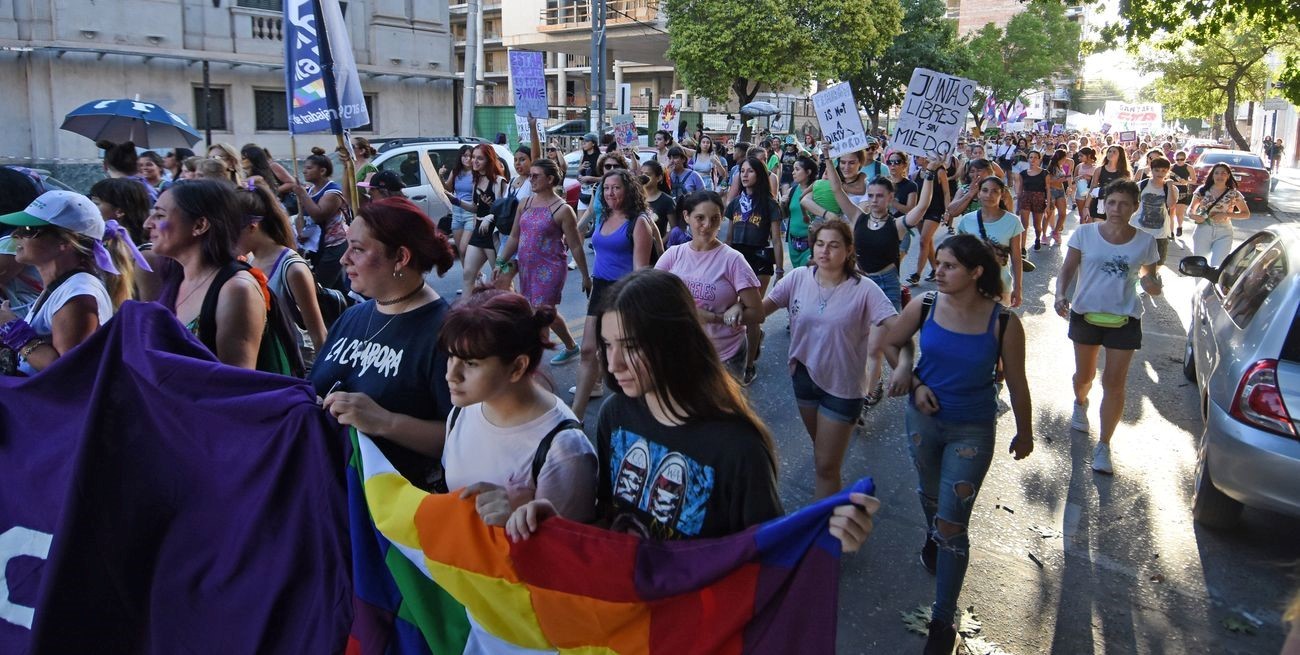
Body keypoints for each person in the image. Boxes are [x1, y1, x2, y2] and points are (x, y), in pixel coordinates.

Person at [504, 268, 878, 550]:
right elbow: (609, 514)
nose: (612, 363)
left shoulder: (738, 447)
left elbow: (764, 554)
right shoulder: (615, 414)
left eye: (631, 346)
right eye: (607, 345)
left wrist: (824, 537)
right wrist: (556, 523)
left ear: (675, 342)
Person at [882, 234, 1033, 655]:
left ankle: (942, 621)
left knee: (954, 525)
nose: (938, 271)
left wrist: (1026, 430)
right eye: (938, 264)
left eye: (948, 265)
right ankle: (933, 532)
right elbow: (891, 343)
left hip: (972, 429)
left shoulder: (1003, 322)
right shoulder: (925, 304)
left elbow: (1018, 382)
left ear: (976, 272)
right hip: (923, 422)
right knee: (930, 497)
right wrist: (912, 383)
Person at [314, 197, 457, 489]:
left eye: (357, 249)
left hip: (395, 511)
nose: (344, 259)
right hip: (331, 490)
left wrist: (384, 421)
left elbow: (463, 438)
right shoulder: (352, 316)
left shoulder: (447, 333)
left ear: (401, 257)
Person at [763, 220, 898, 498]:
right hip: (803, 378)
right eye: (820, 244)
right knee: (822, 456)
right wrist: (727, 310)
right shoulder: (799, 277)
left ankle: (824, 532)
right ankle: (830, 510)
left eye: (834, 245)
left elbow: (896, 328)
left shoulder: (865, 288)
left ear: (849, 250)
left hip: (844, 387)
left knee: (826, 465)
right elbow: (760, 311)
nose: (824, 251)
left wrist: (906, 368)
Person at [1054, 180, 1162, 475]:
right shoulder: (1085, 233)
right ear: (1104, 204)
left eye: (1124, 204)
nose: (1117, 209)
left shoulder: (1145, 241)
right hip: (1086, 314)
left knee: (1114, 384)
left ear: (1135, 208)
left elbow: (1150, 282)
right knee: (1085, 376)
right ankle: (1080, 401)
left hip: (1125, 319)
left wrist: (1152, 284)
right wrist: (1060, 294)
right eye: (1112, 202)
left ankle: (1103, 445)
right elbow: (1067, 269)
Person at [0, 190, 148, 375]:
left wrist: (12, 329)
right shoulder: (65, 286)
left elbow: (68, 371)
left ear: (65, 242)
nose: (16, 235)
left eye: (29, 230)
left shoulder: (79, 294)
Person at [570, 168, 655, 421]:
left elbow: (640, 269)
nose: (610, 193)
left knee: (625, 355)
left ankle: (639, 412)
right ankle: (577, 416)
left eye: (616, 187)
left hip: (625, 292)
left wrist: (634, 305)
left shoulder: (639, 222)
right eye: (606, 188)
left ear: (628, 190)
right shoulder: (603, 215)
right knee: (588, 350)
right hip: (601, 288)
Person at [656, 190, 762, 381]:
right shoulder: (673, 254)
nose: (707, 225)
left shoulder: (733, 260)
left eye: (715, 219)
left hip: (724, 356)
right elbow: (651, 296)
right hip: (681, 352)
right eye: (700, 218)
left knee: (722, 411)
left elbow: (757, 313)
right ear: (686, 216)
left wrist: (717, 318)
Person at [495, 158, 590, 365]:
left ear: (550, 179)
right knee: (544, 312)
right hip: (527, 267)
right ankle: (571, 347)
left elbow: (575, 245)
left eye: (536, 176)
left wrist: (585, 276)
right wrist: (500, 262)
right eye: (530, 176)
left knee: (540, 311)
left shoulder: (563, 209)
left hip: (551, 268)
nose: (531, 179)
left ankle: (532, 356)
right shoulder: (525, 203)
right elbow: (514, 237)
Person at [236, 178, 329, 364]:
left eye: (230, 230)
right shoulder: (251, 259)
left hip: (298, 366)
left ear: (252, 227)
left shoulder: (293, 268)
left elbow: (319, 334)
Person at [724, 156, 784, 385]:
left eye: (750, 170)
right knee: (735, 308)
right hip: (737, 258)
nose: (745, 174)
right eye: (742, 170)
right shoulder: (734, 203)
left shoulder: (770, 204)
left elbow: (777, 240)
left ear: (759, 174)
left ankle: (748, 366)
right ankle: (752, 340)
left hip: (760, 259)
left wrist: (779, 270)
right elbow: (728, 237)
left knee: (751, 316)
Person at [445, 144, 509, 294]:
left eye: (479, 158)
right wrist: (456, 201)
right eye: (473, 157)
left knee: (501, 279)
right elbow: (475, 207)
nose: (474, 161)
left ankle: (512, 310)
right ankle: (465, 313)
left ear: (489, 160)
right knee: (468, 275)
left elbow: (503, 209)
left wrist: (491, 213)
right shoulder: (476, 180)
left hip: (494, 235)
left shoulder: (499, 181)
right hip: (478, 232)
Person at [955, 176, 1026, 308]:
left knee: (996, 326)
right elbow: (958, 256)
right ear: (978, 193)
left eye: (994, 191)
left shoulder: (1013, 221)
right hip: (971, 286)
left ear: (1002, 194)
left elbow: (1016, 258)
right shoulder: (966, 220)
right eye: (985, 190)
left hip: (1000, 286)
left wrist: (1018, 289)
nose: (989, 195)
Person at [291, 148, 350, 292]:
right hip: (318, 246)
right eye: (304, 168)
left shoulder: (333, 192)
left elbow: (318, 215)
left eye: (309, 168)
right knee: (336, 288)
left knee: (320, 288)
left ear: (322, 171)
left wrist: (303, 195)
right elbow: (302, 216)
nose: (304, 171)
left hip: (333, 246)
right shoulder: (311, 190)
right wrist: (301, 234)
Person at [1187, 162, 1251, 267]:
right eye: (1216, 173)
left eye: (1223, 173)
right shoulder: (1202, 190)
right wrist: (1193, 215)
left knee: (1218, 265)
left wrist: (1226, 214)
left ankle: (1213, 284)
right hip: (1203, 229)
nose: (1220, 176)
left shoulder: (1234, 194)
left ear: (1228, 176)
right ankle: (1199, 284)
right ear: (1212, 175)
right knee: (1199, 264)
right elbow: (1191, 208)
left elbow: (1246, 214)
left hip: (1224, 231)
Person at [908, 155, 953, 285]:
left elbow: (946, 192)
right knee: (927, 242)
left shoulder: (940, 171)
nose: (916, 159)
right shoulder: (916, 174)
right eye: (915, 157)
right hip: (921, 212)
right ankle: (935, 269)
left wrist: (947, 211)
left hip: (935, 210)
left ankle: (917, 274)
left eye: (918, 156)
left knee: (923, 240)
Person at [1132, 156, 1177, 273]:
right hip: (1140, 229)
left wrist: (1170, 186)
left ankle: (1151, 277)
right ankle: (1143, 282)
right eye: (1157, 170)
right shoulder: (1142, 185)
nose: (1160, 173)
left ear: (1168, 171)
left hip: (1160, 232)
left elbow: (1171, 205)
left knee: (1158, 262)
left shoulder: (1170, 189)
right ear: (1151, 170)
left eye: (1163, 170)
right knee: (1138, 261)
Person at [782, 155, 818, 269]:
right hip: (793, 244)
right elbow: (785, 215)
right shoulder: (791, 190)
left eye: (797, 169)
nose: (793, 173)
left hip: (810, 245)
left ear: (808, 172)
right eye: (793, 169)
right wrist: (782, 204)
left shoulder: (817, 191)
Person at [444, 145, 476, 261]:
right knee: (460, 252)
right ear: (460, 157)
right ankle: (471, 278)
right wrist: (441, 176)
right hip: (456, 213)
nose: (467, 159)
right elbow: (447, 188)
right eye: (464, 156)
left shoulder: (476, 173)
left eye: (470, 156)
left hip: (470, 213)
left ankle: (476, 275)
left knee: (464, 249)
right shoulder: (456, 172)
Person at [1087, 145, 1130, 222]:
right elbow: (1092, 188)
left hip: (1116, 205)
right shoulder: (1099, 169)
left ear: (1120, 156)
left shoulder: (1124, 173)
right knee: (1098, 229)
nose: (1111, 154)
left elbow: (1126, 192)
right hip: (1099, 203)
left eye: (1114, 152)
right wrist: (1086, 206)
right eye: (1109, 151)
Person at [641, 160, 676, 238]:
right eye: (641, 173)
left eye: (647, 174)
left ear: (659, 178)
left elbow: (674, 228)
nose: (643, 177)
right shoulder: (636, 197)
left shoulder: (667, 201)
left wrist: (661, 244)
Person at [1045, 149, 1072, 246]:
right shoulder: (1052, 167)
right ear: (1061, 158)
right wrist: (1060, 180)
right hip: (1052, 191)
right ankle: (1044, 234)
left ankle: (1056, 231)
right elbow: (1048, 182)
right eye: (1065, 158)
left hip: (1061, 191)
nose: (1066, 159)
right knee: (1049, 213)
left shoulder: (1061, 166)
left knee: (1063, 214)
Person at [1168, 150, 1193, 237]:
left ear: (1185, 159)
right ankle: (1171, 231)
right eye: (1177, 159)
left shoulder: (1189, 167)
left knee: (1179, 212)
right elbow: (1166, 179)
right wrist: (1175, 183)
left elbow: (1194, 180)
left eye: (1182, 159)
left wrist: (1186, 181)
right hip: (1172, 189)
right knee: (1171, 212)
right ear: (1175, 159)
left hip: (1182, 191)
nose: (1179, 161)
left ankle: (1179, 227)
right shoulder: (1171, 167)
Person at [1073, 147, 1097, 224]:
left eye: (1081, 156)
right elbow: (1074, 179)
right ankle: (1082, 232)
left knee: (1090, 214)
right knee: (1082, 215)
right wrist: (1079, 178)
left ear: (1088, 155)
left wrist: (1089, 177)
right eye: (1078, 156)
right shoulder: (1079, 166)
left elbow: (1098, 181)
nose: (1079, 158)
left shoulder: (1096, 167)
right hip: (1081, 190)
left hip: (1092, 192)